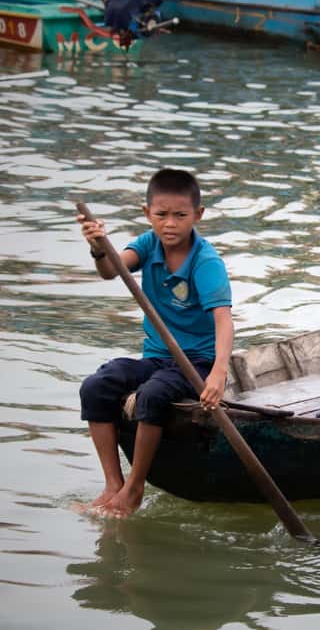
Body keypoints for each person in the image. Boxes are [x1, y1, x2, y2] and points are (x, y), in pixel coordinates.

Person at [76, 168, 234, 518]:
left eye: (180, 215)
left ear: (198, 215)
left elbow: (224, 320)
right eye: (161, 215)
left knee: (153, 394)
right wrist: (98, 247)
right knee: (96, 387)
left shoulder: (205, 262)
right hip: (158, 358)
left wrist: (219, 373)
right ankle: (113, 486)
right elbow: (111, 270)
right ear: (147, 213)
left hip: (197, 363)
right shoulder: (148, 245)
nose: (170, 224)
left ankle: (134, 490)